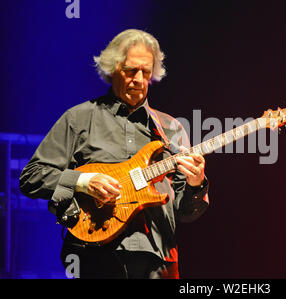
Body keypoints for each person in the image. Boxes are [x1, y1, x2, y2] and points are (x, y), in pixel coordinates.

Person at [19, 29, 210, 279]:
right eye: (131, 70)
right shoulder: (79, 118)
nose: (139, 79)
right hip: (94, 256)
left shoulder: (171, 129)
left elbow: (185, 213)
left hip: (158, 262)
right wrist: (83, 182)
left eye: (146, 72)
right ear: (112, 69)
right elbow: (31, 177)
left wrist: (196, 184)